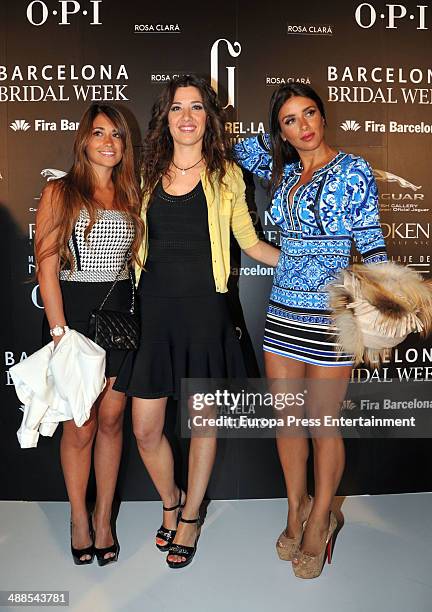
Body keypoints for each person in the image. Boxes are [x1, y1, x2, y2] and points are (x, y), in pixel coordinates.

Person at [114, 74, 280, 569]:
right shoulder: (145, 173)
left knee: (202, 424)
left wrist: (308, 258)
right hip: (155, 314)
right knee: (146, 430)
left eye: (196, 107)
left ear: (209, 117)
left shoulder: (228, 175)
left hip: (206, 313)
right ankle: (171, 499)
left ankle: (190, 515)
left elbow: (250, 244)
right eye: (177, 107)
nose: (187, 116)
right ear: (165, 118)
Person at [233, 83, 387, 578]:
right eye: (290, 120)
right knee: (287, 422)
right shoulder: (282, 172)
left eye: (310, 113)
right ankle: (294, 507)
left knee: (322, 425)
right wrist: (275, 133)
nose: (305, 126)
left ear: (324, 115)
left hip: (330, 317)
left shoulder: (354, 170)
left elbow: (372, 245)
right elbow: (233, 147)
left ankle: (321, 519)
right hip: (281, 315)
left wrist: (382, 315)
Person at [35, 103, 143, 566]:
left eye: (117, 135)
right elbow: (46, 266)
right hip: (73, 318)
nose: (108, 142)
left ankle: (104, 519)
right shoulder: (61, 191)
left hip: (119, 315)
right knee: (80, 425)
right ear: (84, 140)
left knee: (113, 420)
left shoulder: (132, 193)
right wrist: (60, 334)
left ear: (124, 145)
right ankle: (79, 516)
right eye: (99, 133)